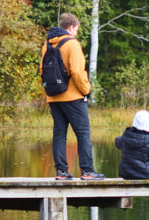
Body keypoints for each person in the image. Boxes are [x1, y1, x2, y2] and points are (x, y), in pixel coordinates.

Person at [42, 13, 103, 180]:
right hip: (73, 97)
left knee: (59, 134)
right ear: (71, 27)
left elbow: (42, 70)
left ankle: (61, 172)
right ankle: (87, 171)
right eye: (76, 29)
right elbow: (77, 72)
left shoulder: (47, 45)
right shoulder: (72, 44)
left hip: (54, 97)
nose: (76, 33)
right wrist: (86, 90)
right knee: (83, 133)